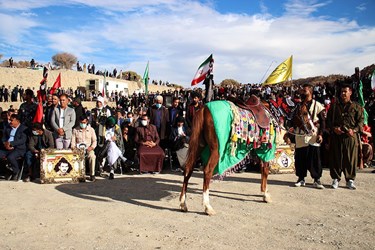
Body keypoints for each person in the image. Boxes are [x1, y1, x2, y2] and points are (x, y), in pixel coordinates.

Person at [327, 84, 364, 190]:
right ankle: (335, 178)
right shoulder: (334, 107)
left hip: (350, 137)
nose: (343, 93)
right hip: (337, 136)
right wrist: (334, 129)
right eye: (342, 91)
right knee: (336, 158)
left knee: (350, 158)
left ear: (350, 92)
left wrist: (355, 130)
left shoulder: (357, 106)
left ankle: (350, 180)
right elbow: (329, 121)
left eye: (345, 91)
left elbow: (361, 121)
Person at [290, 83, 326, 189]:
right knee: (300, 158)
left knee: (315, 158)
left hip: (313, 135)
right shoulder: (298, 106)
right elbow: (292, 119)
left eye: (305, 90)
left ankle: (316, 179)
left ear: (310, 91)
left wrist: (321, 134)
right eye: (302, 91)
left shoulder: (318, 105)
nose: (303, 92)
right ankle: (301, 178)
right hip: (300, 136)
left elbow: (323, 121)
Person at [0, 114, 28, 180]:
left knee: (11, 157)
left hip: (18, 148)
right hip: (7, 147)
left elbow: (22, 140)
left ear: (17, 121)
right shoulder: (8, 128)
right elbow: (4, 138)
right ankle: (7, 171)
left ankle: (16, 171)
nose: (10, 122)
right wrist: (5, 144)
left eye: (12, 120)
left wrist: (11, 144)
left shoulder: (23, 129)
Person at [71, 116, 97, 181]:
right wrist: (74, 148)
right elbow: (73, 141)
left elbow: (94, 141)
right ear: (79, 122)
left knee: (92, 156)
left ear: (87, 122)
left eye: (84, 122)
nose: (83, 124)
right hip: (78, 150)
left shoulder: (91, 130)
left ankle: (92, 174)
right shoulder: (75, 130)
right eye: (81, 122)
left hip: (88, 149)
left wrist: (92, 147)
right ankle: (78, 175)